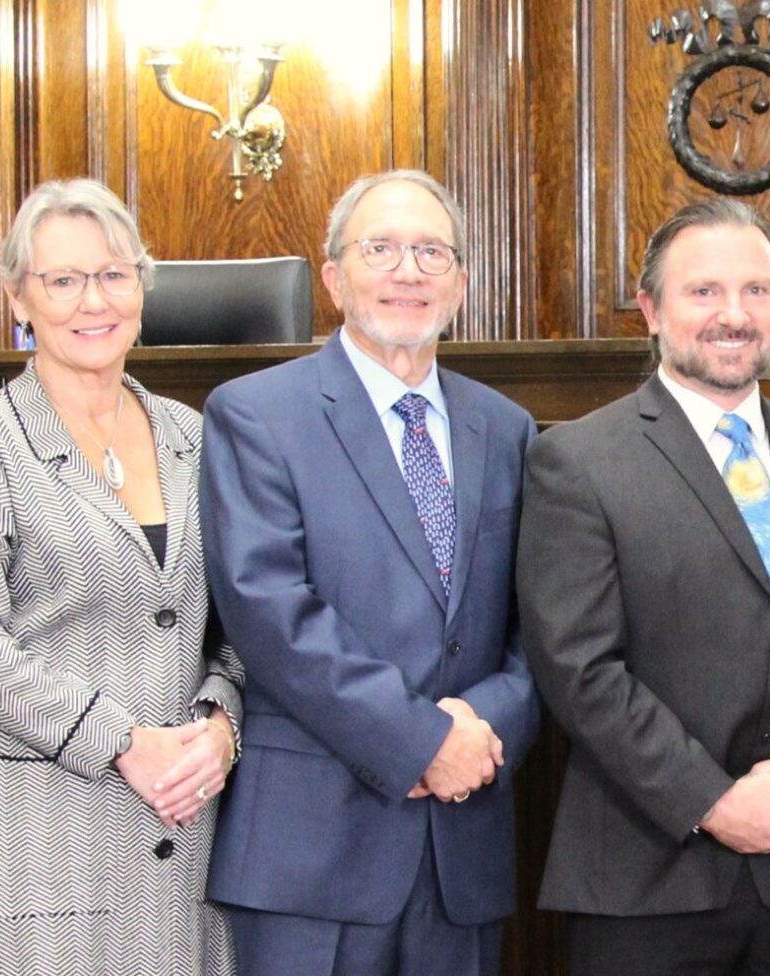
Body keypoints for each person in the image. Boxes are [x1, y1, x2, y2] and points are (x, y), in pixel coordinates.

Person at [519, 198, 770, 975]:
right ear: (651, 310)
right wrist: (712, 800)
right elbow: (580, 670)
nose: (733, 314)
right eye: (704, 292)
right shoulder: (579, 462)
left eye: (756, 291)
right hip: (649, 881)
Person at [203, 169, 538, 976]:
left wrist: (485, 731)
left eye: (431, 252)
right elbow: (271, 614)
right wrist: (424, 741)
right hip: (312, 854)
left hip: (462, 846)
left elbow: (544, 624)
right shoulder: (255, 414)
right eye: (380, 248)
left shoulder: (510, 429)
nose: (408, 271)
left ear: (460, 279)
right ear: (333, 277)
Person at [0, 178, 243, 974]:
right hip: (47, 835)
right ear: (18, 298)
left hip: (191, 824)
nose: (91, 300)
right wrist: (123, 742)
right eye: (62, 280)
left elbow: (237, 625)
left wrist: (222, 725)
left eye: (113, 274)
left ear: (141, 287)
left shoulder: (193, 436)